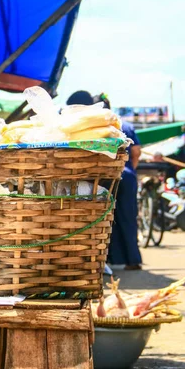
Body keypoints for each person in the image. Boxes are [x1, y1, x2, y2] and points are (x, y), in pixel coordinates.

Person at [66, 91, 143, 271]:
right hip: (128, 175)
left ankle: (104, 259)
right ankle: (133, 260)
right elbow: (137, 151)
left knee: (103, 217)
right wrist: (129, 167)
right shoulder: (126, 125)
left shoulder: (88, 126)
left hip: (104, 176)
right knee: (128, 217)